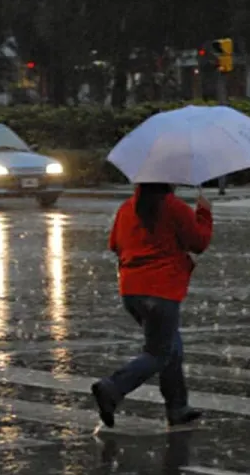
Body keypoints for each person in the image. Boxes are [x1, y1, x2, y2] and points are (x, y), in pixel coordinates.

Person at [91, 183, 213, 428]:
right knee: (159, 352)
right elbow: (198, 242)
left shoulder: (127, 208)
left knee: (171, 346)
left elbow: (115, 244)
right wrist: (204, 213)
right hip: (162, 290)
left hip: (132, 290)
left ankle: (178, 407)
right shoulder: (174, 208)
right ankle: (114, 387)